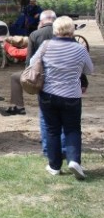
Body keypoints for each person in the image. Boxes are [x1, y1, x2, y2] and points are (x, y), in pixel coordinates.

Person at [32, 16, 93, 179]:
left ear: (55, 30)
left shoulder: (46, 45)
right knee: (72, 128)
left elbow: (33, 63)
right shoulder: (80, 49)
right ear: (72, 30)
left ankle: (54, 166)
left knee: (52, 130)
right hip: (71, 95)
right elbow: (89, 69)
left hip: (48, 94)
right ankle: (74, 161)